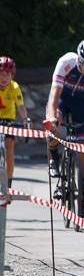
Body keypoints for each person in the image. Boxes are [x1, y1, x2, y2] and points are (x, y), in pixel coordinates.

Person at [45, 39, 84, 218]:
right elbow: (54, 94)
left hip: (82, 104)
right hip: (62, 100)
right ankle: (54, 157)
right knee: (53, 124)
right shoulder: (66, 62)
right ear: (79, 59)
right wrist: (51, 117)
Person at [0, 56, 31, 187]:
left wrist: (25, 119)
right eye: (1, 74)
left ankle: (8, 184)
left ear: (12, 76)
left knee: (9, 149)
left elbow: (21, 106)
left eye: (7, 74)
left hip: (8, 120)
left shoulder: (14, 87)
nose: (4, 78)